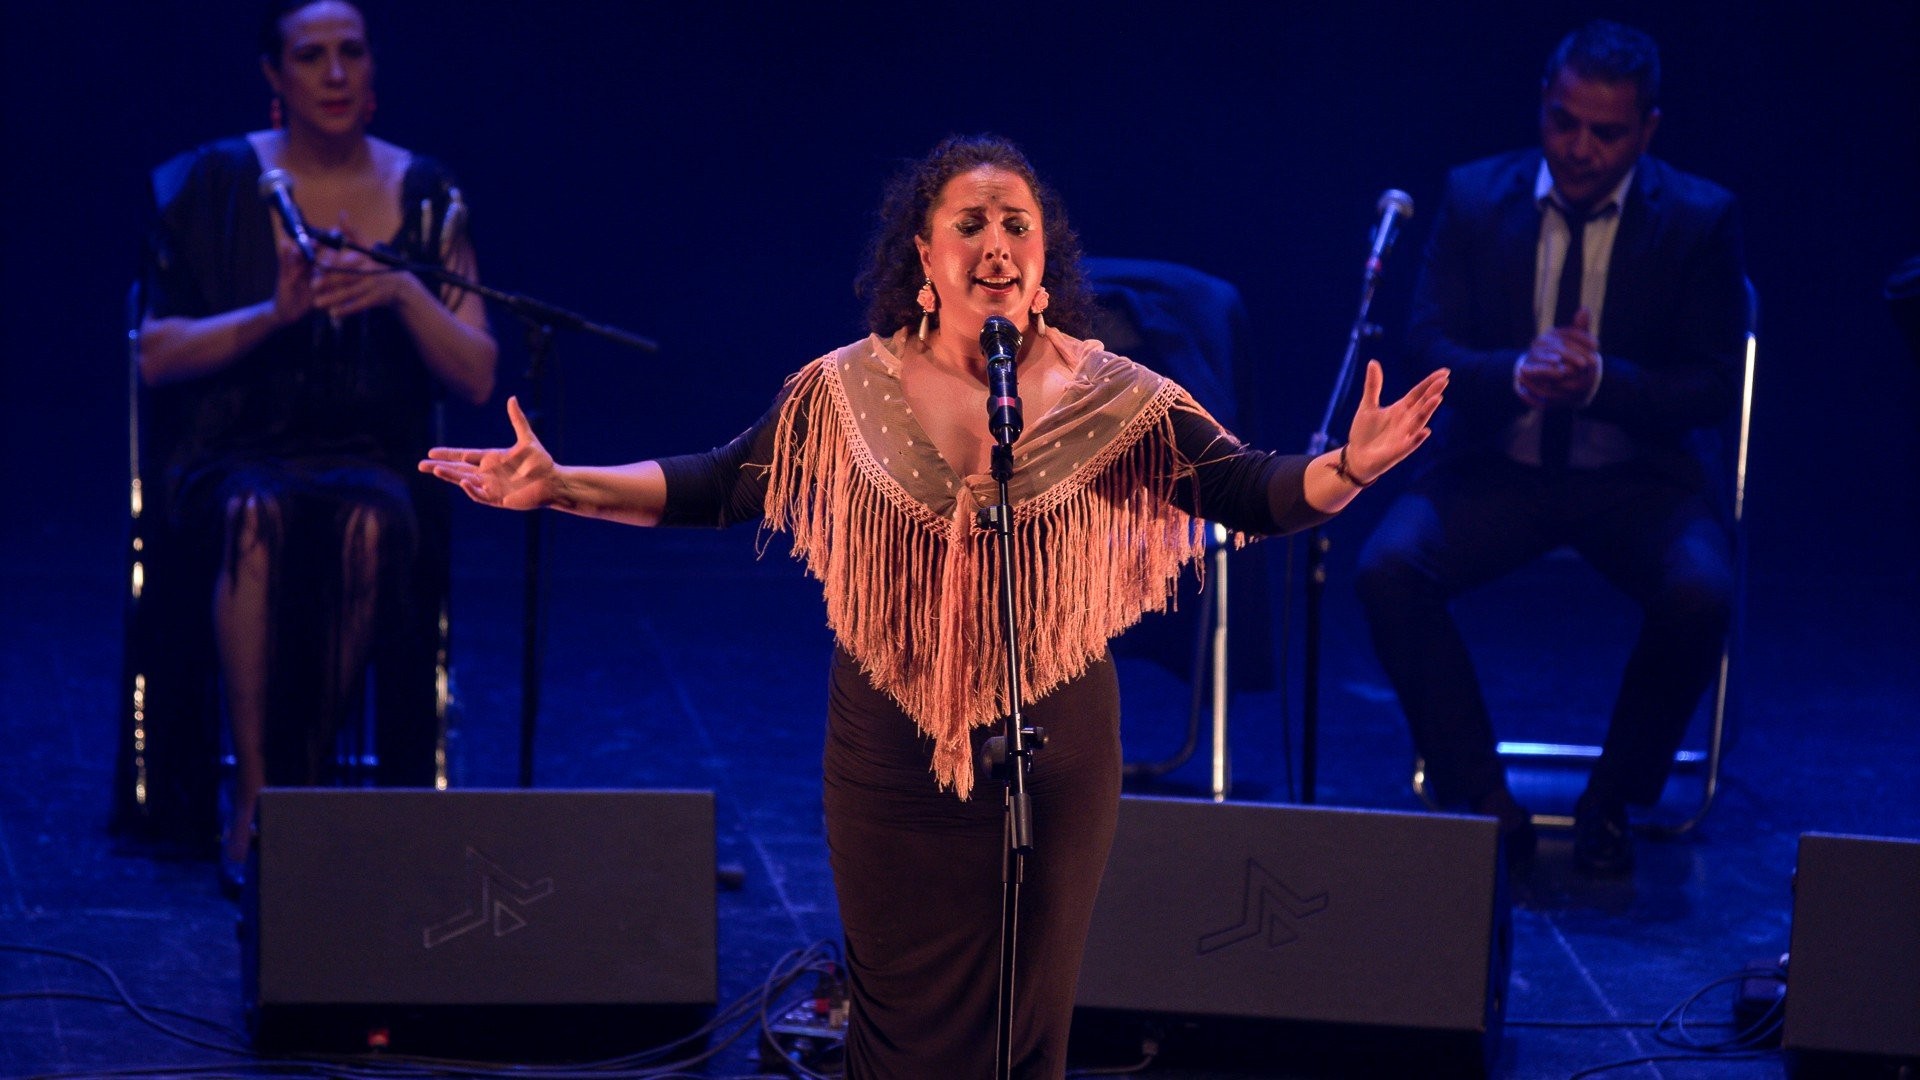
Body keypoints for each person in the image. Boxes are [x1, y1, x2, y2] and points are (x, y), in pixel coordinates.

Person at [422, 134, 1445, 1078]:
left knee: (1029, 1023)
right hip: (889, 750)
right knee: (899, 1024)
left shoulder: (1117, 396)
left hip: (1058, 746)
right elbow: (723, 483)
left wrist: (1346, 469)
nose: (996, 244)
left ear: (1046, 263)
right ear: (924, 254)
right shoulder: (845, 389)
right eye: (971, 223)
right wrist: (560, 484)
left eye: (1017, 226)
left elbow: (1244, 489)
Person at [1355, 20, 1747, 876]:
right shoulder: (1473, 196)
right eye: (1564, 122)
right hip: (1499, 463)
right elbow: (1424, 341)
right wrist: (1516, 372)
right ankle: (1486, 803)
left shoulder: (1699, 219)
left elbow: (1714, 385)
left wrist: (1602, 380)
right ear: (1544, 106)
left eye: (1606, 133)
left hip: (1636, 477)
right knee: (1386, 569)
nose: (1579, 148)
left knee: (1703, 591)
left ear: (1647, 130)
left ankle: (1613, 801)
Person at [134, 0, 497, 893]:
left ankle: (300, 779)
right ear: (275, 76)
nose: (335, 74)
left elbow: (479, 373)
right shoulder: (214, 183)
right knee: (258, 513)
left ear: (372, 70)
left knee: (372, 523)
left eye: (351, 53)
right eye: (311, 56)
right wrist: (276, 314)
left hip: (370, 449)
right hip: (235, 446)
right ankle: (255, 799)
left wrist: (401, 291)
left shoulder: (424, 192)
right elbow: (152, 353)